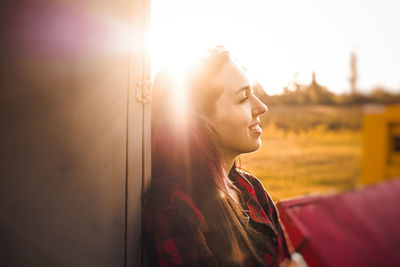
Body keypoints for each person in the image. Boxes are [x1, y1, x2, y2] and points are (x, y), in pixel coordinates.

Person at [144, 46, 298, 266]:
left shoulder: (251, 189)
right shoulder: (175, 210)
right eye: (243, 98)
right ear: (196, 122)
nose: (262, 107)